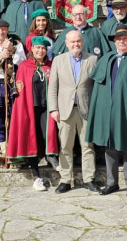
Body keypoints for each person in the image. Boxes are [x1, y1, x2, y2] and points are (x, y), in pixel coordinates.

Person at [85, 25, 127, 197]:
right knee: (110, 147)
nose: (122, 41)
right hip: (109, 111)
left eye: (125, 38)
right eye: (119, 39)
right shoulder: (106, 59)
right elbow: (97, 88)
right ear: (114, 41)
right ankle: (111, 183)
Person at [47, 30, 99, 194]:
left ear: (82, 42)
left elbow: (96, 87)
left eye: (78, 41)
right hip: (64, 111)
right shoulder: (58, 60)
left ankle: (89, 179)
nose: (76, 44)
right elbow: (53, 87)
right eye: (72, 42)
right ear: (67, 44)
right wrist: (53, 109)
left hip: (85, 110)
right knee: (65, 147)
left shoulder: (92, 59)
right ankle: (65, 180)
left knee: (87, 147)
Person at [6, 37, 58, 190]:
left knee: (47, 135)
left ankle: (51, 158)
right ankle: (36, 176)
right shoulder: (24, 66)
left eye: (43, 48)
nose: (40, 51)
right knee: (31, 139)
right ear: (32, 50)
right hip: (29, 108)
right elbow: (21, 89)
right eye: (37, 48)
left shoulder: (51, 66)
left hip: (46, 108)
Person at [0, 20, 25, 158]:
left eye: (3, 29)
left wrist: (12, 51)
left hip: (12, 86)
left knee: (14, 117)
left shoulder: (17, 44)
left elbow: (21, 62)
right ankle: (4, 150)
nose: (1, 32)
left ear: (7, 30)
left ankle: (15, 148)